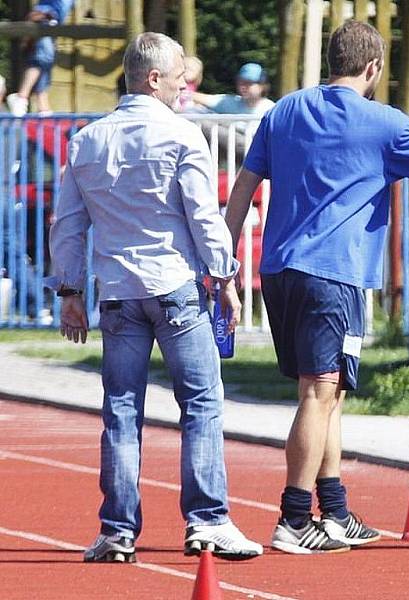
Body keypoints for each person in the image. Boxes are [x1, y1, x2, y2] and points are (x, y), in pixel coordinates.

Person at [224, 20, 409, 555]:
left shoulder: (285, 110)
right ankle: (295, 516)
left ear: (332, 61)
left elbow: (244, 185)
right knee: (318, 392)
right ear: (373, 68)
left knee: (330, 394)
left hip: (280, 269)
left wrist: (226, 257)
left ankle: (335, 510)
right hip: (334, 272)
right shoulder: (382, 122)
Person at [47, 32, 263, 563]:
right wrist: (226, 278)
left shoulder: (86, 140)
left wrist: (69, 289)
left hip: (117, 293)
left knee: (121, 410)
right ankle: (207, 521)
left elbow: (68, 225)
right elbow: (203, 217)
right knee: (202, 404)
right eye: (179, 78)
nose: (186, 87)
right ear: (153, 78)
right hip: (174, 289)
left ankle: (118, 530)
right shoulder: (181, 135)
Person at [7, 1, 75, 116]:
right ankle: (22, 97)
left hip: (52, 22)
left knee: (45, 61)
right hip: (45, 17)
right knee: (43, 58)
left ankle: (42, 103)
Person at [192, 62, 275, 116]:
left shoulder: (271, 109)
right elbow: (202, 98)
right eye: (240, 82)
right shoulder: (230, 102)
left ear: (262, 86)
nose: (242, 86)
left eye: (248, 83)